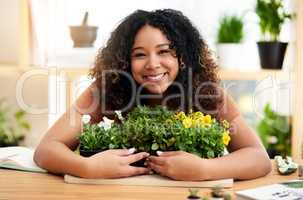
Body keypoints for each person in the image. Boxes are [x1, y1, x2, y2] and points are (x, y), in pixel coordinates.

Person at [34, 9, 271, 180]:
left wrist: (205, 170)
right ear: (125, 61)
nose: (153, 64)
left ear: (183, 57)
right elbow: (46, 150)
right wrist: (87, 168)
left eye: (164, 52)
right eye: (139, 55)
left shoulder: (207, 93)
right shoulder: (107, 89)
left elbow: (259, 159)